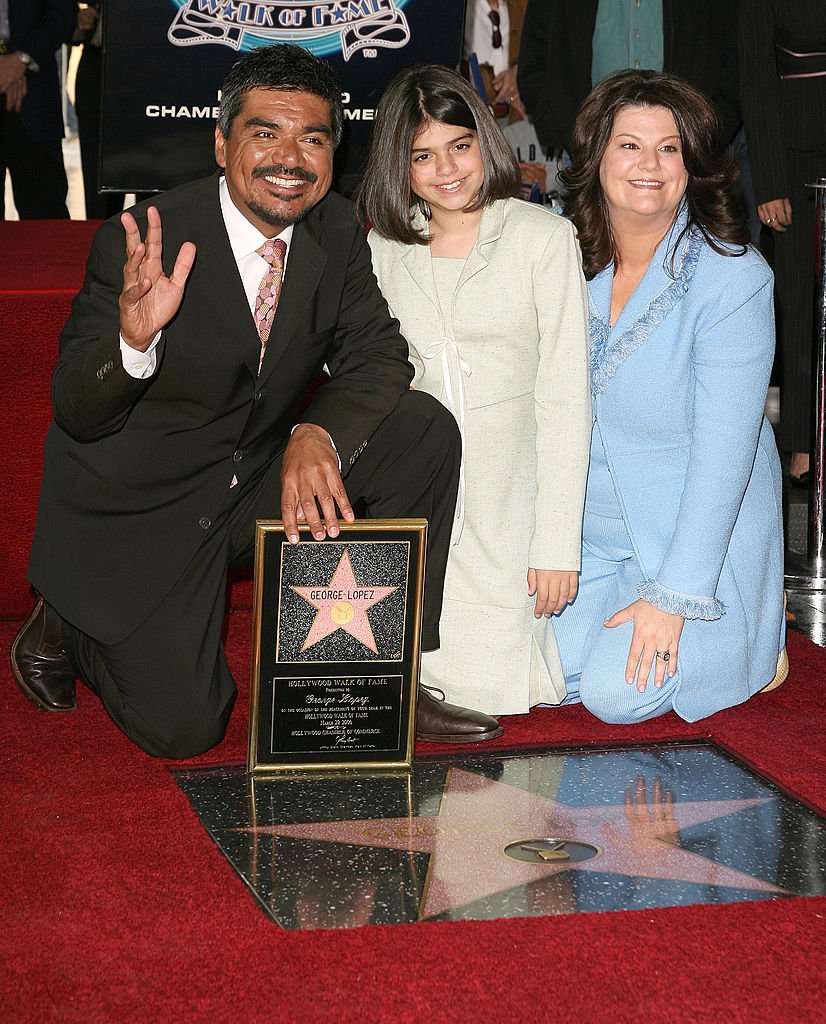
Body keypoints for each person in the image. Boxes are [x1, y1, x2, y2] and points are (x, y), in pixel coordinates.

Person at [10, 43, 503, 756]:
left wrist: (315, 434)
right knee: (184, 729)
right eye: (265, 133)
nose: (290, 157)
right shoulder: (146, 239)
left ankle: (384, 674)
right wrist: (132, 344)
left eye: (313, 137)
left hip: (249, 485)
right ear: (221, 143)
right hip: (144, 507)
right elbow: (75, 411)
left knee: (419, 426)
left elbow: (377, 356)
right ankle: (69, 623)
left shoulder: (335, 229)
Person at [550, 68, 786, 725]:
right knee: (523, 672)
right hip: (593, 544)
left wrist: (674, 597)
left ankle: (759, 641)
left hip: (696, 544)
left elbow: (724, 459)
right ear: (596, 158)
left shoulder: (733, 281)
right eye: (629, 145)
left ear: (692, 165)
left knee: (616, 696)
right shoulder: (561, 264)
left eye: (669, 148)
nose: (649, 165)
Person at [356, 65, 591, 716]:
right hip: (418, 502)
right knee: (403, 692)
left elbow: (567, 398)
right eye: (422, 155)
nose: (448, 169)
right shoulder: (382, 247)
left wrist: (554, 545)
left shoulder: (545, 237)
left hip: (509, 502)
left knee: (498, 695)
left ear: (486, 140)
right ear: (397, 166)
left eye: (460, 146)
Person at [739, 0, 826, 487]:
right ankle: (801, 442)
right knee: (797, 300)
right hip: (793, 156)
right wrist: (768, 179)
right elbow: (755, 71)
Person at [517, 1, 741, 157]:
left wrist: (703, 140)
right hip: (587, 153)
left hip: (682, 156)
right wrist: (568, 133)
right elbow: (535, 55)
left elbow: (733, 61)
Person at [0, 0, 75, 218]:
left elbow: (62, 15)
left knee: (46, 224)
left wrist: (20, 59)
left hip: (36, 98)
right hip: (30, 92)